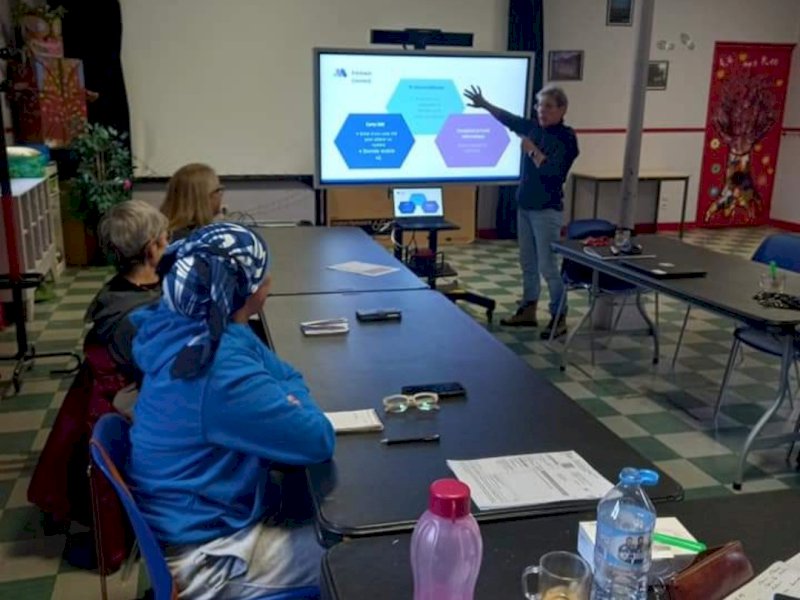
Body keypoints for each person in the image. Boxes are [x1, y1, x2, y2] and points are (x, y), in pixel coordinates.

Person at [128, 222, 335, 599]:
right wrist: (289, 396)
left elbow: (285, 374)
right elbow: (316, 438)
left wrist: (283, 391)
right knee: (360, 554)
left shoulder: (187, 325)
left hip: (193, 516)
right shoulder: (217, 367)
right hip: (208, 556)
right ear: (253, 291)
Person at [464, 84, 579, 338]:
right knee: (528, 263)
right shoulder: (533, 128)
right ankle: (528, 309)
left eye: (548, 106)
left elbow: (553, 173)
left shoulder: (566, 138)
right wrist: (485, 104)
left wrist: (531, 150)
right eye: (539, 105)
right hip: (525, 207)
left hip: (546, 210)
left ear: (562, 109)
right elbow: (509, 119)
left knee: (547, 266)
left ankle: (559, 316)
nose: (542, 111)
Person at [85, 199, 169, 376]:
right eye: (165, 239)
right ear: (152, 249)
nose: (169, 246)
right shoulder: (140, 317)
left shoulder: (112, 295)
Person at [160, 162, 225, 241]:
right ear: (202, 199)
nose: (220, 194)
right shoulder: (199, 241)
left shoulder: (161, 233)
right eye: (218, 190)